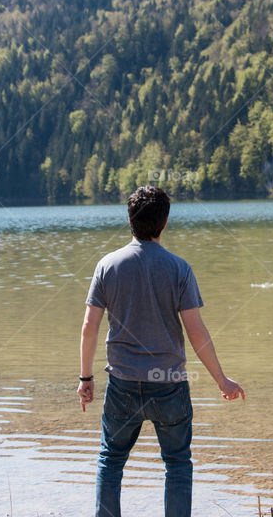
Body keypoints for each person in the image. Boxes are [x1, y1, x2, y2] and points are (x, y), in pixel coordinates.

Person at [77, 185, 245, 517]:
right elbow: (196, 331)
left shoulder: (107, 266)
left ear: (129, 220)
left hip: (123, 384)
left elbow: (89, 327)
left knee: (111, 461)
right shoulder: (178, 268)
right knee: (178, 463)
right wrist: (221, 380)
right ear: (165, 223)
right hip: (169, 385)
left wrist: (86, 378)